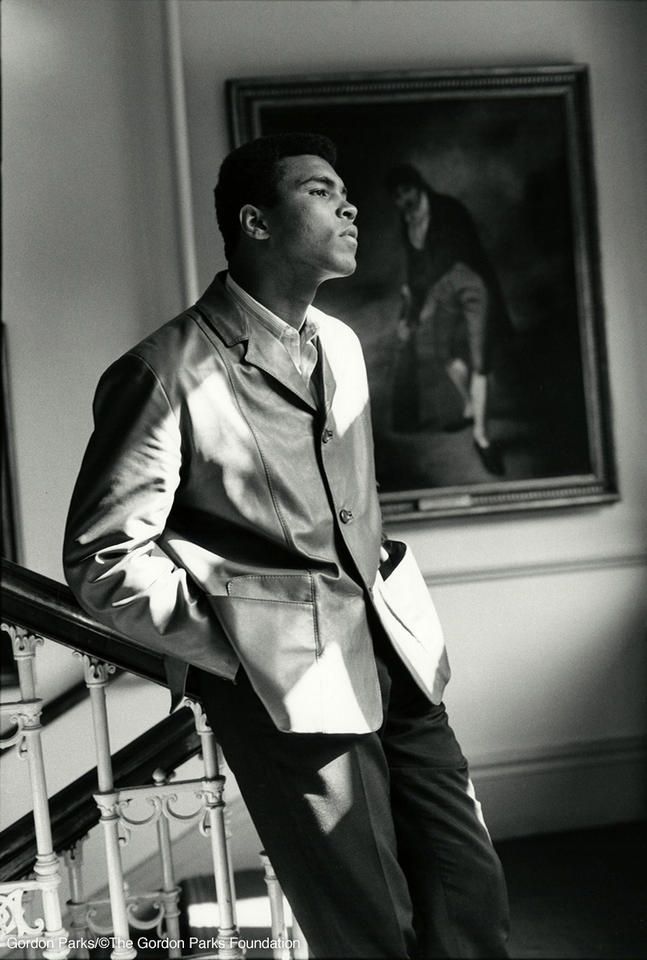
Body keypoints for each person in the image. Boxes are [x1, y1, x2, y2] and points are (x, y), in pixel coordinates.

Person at [63, 133, 509, 958]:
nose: (348, 205)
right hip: (293, 696)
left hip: (399, 663)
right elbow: (105, 559)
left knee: (469, 896)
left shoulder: (339, 345)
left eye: (345, 190)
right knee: (372, 930)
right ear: (255, 222)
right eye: (318, 190)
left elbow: (350, 506)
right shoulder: (165, 372)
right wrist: (243, 650)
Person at [386, 163, 510, 476]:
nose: (404, 201)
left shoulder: (448, 210)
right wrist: (410, 310)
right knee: (444, 353)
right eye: (397, 196)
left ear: (418, 186)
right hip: (441, 291)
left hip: (471, 285)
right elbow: (416, 270)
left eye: (407, 192)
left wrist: (421, 300)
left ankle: (482, 438)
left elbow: (451, 257)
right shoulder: (406, 221)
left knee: (480, 360)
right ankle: (470, 406)